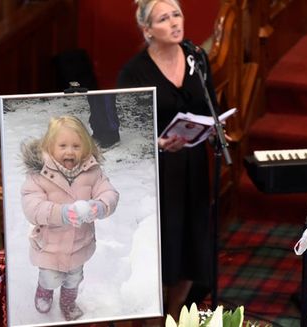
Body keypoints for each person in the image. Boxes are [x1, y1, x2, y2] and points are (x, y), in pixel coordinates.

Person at [117, 0, 218, 321]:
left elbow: (210, 106)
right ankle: (151, 317)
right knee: (160, 245)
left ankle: (174, 314)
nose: (175, 22)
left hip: (193, 165)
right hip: (154, 172)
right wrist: (158, 142)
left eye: (176, 14)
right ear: (147, 30)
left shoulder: (196, 59)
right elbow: (122, 132)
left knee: (193, 240)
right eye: (163, 18)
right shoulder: (134, 72)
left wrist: (215, 129)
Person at [21, 115, 119, 321]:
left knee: (74, 278)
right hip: (49, 245)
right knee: (50, 277)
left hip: (79, 244)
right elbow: (32, 206)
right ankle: (44, 291)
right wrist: (62, 213)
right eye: (63, 145)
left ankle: (68, 302)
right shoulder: (39, 175)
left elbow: (109, 192)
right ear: (49, 146)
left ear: (85, 147)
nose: (69, 151)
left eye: (76, 145)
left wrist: (98, 207)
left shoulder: (92, 171)